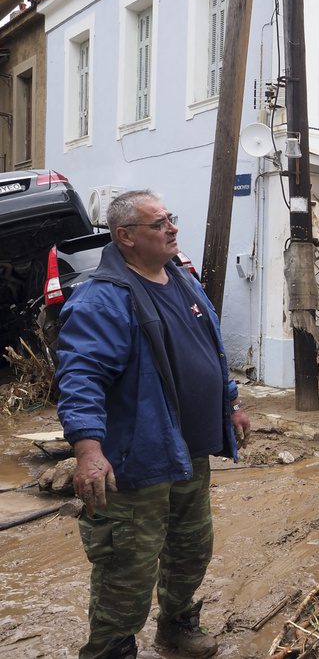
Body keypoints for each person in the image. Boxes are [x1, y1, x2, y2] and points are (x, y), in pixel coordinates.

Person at [56, 190, 251, 659]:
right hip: (135, 458)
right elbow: (81, 375)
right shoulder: (102, 298)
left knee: (191, 549)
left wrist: (230, 404)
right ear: (125, 236)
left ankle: (176, 628)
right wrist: (88, 450)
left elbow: (208, 350)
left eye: (171, 217)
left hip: (189, 452)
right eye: (158, 223)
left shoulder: (183, 280)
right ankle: (111, 650)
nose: (172, 228)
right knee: (127, 566)